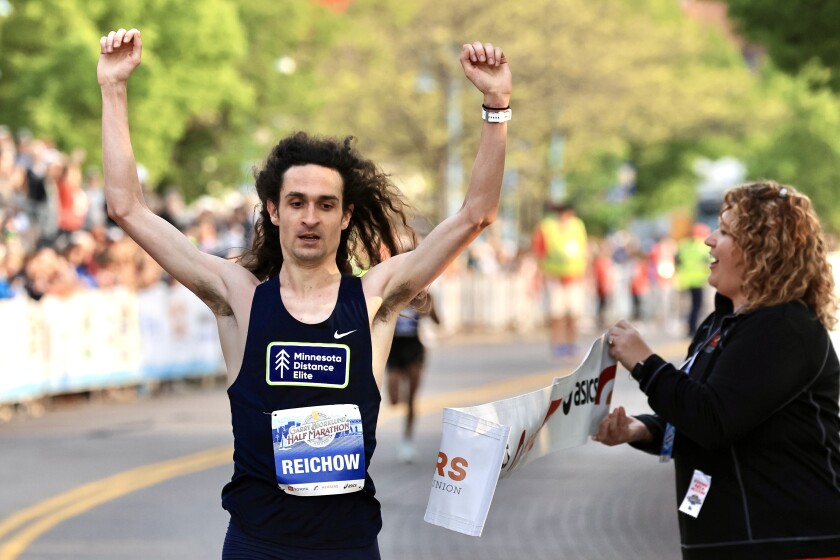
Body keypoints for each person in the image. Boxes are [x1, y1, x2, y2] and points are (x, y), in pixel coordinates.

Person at [98, 28, 511, 559]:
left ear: (345, 216)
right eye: (295, 202)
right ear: (274, 211)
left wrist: (496, 106)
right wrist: (113, 88)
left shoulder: (374, 301)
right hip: (257, 545)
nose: (309, 217)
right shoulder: (239, 299)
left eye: (324, 204)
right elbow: (127, 208)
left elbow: (476, 214)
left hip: (347, 546)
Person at [595, 180, 840, 560]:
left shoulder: (784, 326)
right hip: (732, 539)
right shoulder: (721, 324)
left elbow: (713, 419)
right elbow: (697, 413)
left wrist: (645, 362)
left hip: (786, 541)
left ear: (762, 249)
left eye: (725, 231)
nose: (709, 239)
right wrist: (639, 429)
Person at [386, 295, 440, 463]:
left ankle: (407, 441)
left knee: (411, 399)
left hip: (413, 348)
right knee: (394, 399)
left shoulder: (423, 297)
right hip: (394, 348)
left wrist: (429, 309)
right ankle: (402, 399)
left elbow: (438, 321)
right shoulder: (394, 293)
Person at [531, 200, 588, 358]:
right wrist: (540, 275)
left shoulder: (577, 225)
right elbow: (539, 252)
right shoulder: (546, 227)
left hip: (574, 277)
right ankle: (558, 344)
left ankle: (571, 344)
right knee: (557, 314)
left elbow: (583, 250)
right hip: (554, 277)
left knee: (573, 314)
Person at [675, 222, 711, 336]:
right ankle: (693, 328)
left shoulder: (684, 245)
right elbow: (710, 261)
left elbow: (677, 261)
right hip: (698, 280)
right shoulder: (703, 246)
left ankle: (690, 327)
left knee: (687, 306)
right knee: (697, 306)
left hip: (685, 280)